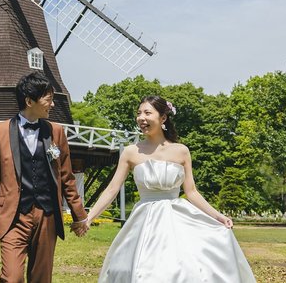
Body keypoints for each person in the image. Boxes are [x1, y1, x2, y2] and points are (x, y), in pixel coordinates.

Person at [81, 95, 255, 282]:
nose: (141, 118)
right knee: (142, 270)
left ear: (163, 118)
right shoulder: (131, 152)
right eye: (139, 113)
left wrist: (218, 216)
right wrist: (89, 217)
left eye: (147, 113)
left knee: (182, 269)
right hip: (144, 221)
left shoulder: (181, 151)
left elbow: (192, 192)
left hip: (177, 218)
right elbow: (111, 189)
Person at [0, 71, 88, 283]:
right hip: (14, 216)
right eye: (48, 99)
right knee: (12, 277)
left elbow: (66, 177)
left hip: (47, 215)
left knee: (41, 278)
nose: (53, 105)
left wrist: (79, 215)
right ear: (29, 100)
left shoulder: (56, 131)